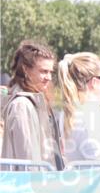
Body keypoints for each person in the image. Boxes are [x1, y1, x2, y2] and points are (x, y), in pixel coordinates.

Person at [1, 40, 63, 168]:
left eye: (50, 72)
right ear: (26, 70)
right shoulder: (21, 105)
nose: (49, 77)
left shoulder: (35, 102)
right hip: (29, 184)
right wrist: (38, 184)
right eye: (43, 71)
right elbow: (27, 158)